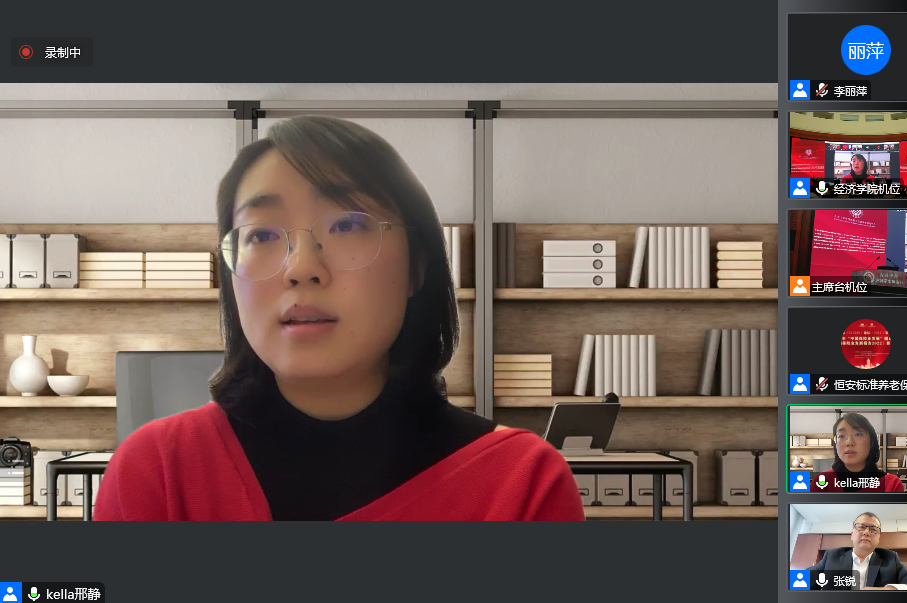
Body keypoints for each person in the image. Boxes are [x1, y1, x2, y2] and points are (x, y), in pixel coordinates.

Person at [94, 116, 586, 521]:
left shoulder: (520, 483)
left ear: (417, 267)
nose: (301, 268)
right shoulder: (158, 470)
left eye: (348, 225)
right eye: (261, 235)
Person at [806, 512, 907, 590]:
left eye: (873, 529)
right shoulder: (832, 556)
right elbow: (800, 582)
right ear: (852, 534)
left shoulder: (890, 560)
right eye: (861, 527)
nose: (866, 532)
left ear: (879, 538)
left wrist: (889, 590)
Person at [811, 413, 903, 492]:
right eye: (841, 436)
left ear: (872, 442)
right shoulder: (822, 481)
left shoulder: (892, 484)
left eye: (858, 434)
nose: (849, 442)